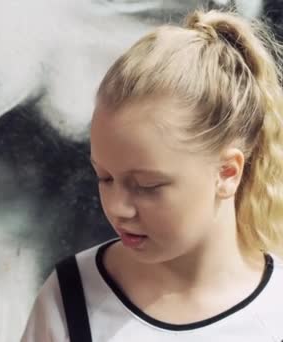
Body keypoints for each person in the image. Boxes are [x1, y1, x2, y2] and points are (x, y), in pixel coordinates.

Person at [21, 9, 283, 342]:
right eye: (104, 178)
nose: (118, 207)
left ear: (227, 173)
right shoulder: (70, 298)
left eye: (147, 185)